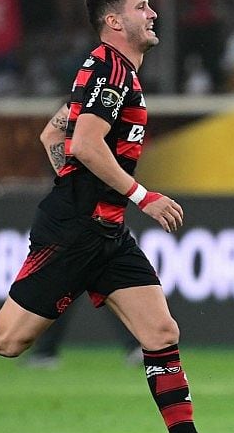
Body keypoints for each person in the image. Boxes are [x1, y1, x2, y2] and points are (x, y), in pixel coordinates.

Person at [0, 0, 234, 433]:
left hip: (104, 231)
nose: (153, 13)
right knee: (7, 340)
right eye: (142, 6)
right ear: (114, 20)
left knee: (161, 333)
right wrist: (139, 195)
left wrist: (78, 187)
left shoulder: (113, 72)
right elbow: (83, 143)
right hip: (78, 230)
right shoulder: (109, 67)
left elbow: (54, 133)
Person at [22, 102, 143, 369]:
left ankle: (46, 351)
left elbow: (50, 136)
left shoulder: (80, 107)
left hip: (84, 213)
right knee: (105, 282)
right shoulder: (104, 109)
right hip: (93, 212)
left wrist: (72, 187)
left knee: (70, 285)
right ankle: (136, 345)